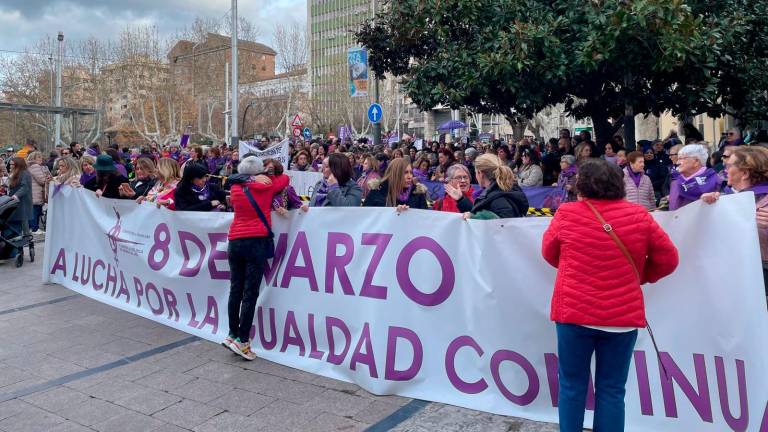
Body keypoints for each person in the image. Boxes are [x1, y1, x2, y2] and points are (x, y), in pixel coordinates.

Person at [541, 158, 679, 432]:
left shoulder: (567, 214)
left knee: (571, 385)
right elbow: (669, 259)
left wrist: (575, 270)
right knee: (612, 389)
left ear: (581, 184)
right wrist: (639, 276)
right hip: (622, 317)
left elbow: (549, 252)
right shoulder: (639, 215)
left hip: (574, 314)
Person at [223, 156, 289, 360]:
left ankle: (232, 334)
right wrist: (265, 177)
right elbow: (285, 178)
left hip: (235, 240)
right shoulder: (266, 186)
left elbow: (231, 179)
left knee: (235, 289)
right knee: (250, 293)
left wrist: (248, 179)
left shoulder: (235, 187)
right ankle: (243, 342)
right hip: (256, 240)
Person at [701, 146, 768, 302]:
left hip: (762, 279)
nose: (724, 169)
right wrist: (704, 209)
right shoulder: (724, 199)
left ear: (744, 173)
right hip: (735, 279)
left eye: (729, 166)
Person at [463, 154, 528, 219]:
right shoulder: (501, 190)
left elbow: (507, 222)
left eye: (475, 172)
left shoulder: (498, 198)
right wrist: (460, 200)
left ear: (480, 173)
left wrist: (477, 218)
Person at [363, 158, 428, 211]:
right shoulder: (377, 192)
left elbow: (424, 220)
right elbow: (367, 218)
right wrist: (393, 213)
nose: (410, 176)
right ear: (395, 174)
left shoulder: (417, 194)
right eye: (405, 173)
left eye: (411, 172)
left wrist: (408, 213)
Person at [668, 144, 720, 210]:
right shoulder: (675, 182)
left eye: (681, 159)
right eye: (678, 159)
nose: (677, 162)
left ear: (696, 161)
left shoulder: (715, 180)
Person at [5, 158, 33, 242]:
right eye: (10, 164)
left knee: (23, 220)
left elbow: (25, 187)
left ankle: (26, 238)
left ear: (18, 165)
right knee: (18, 221)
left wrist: (16, 195)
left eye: (13, 164)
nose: (11, 166)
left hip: (22, 201)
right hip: (14, 201)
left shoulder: (25, 173)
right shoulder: (14, 173)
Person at [25, 151, 51, 234]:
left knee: (34, 210)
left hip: (32, 192)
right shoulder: (35, 166)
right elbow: (41, 180)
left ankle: (32, 228)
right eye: (39, 157)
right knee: (35, 210)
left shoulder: (29, 166)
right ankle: (35, 228)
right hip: (36, 192)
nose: (41, 159)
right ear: (33, 159)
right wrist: (47, 178)